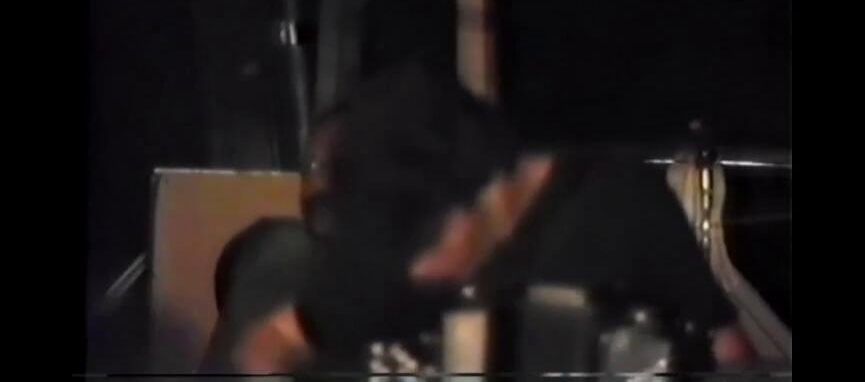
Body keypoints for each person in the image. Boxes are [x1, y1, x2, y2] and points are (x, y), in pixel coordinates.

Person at [217, 62, 754, 374]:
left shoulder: (619, 205)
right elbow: (270, 344)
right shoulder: (388, 249)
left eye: (425, 244)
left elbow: (731, 355)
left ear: (478, 195)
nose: (416, 272)